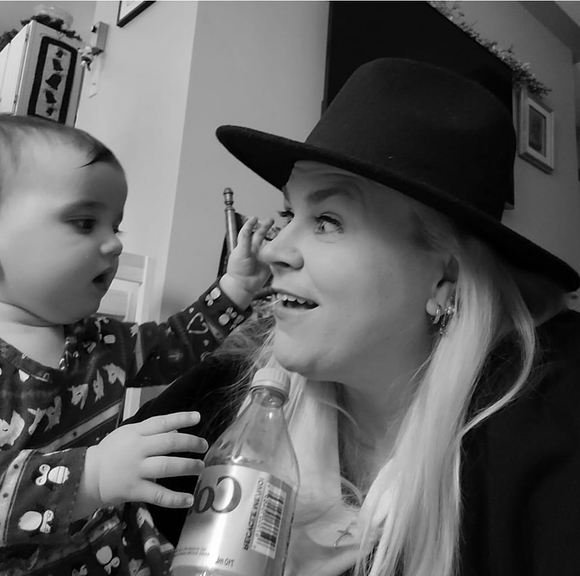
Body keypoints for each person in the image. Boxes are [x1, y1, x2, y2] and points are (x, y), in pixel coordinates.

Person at [133, 58, 580, 576]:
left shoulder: (546, 427)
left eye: (327, 220)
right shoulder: (235, 383)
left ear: (445, 278)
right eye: (288, 214)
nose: (274, 250)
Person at [0, 114, 274, 576]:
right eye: (84, 222)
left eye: (116, 226)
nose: (113, 244)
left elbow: (176, 344)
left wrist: (235, 289)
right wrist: (92, 476)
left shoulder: (100, 339)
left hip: (118, 549)